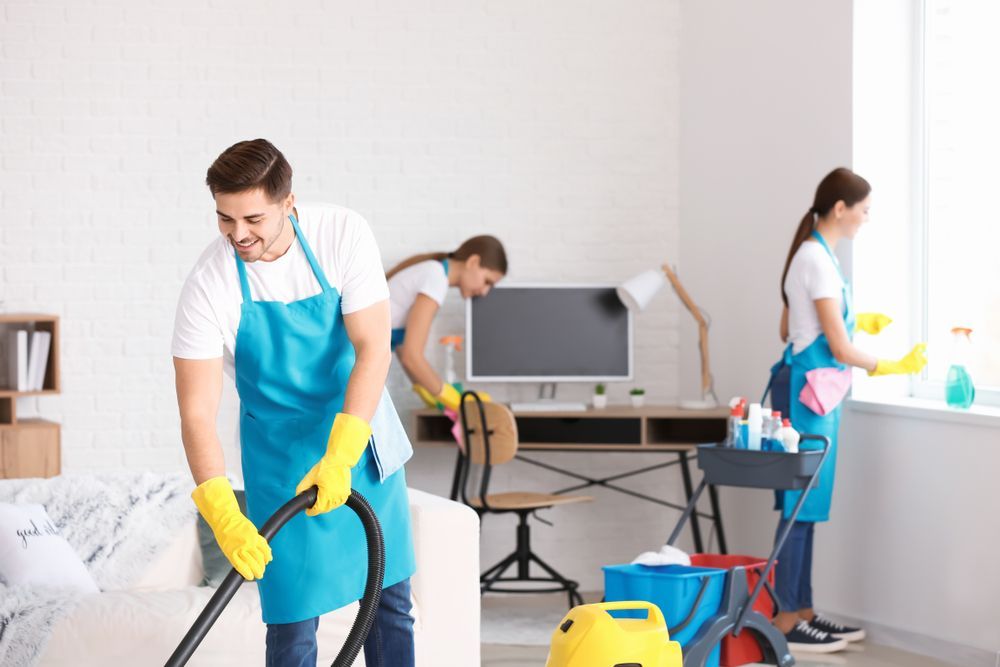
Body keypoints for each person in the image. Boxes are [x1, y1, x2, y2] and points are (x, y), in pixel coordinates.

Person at [172, 138, 416, 667]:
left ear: (288, 203)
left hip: (358, 435)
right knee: (290, 619)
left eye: (253, 218)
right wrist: (219, 510)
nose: (238, 234)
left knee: (389, 601)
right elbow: (195, 411)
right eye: (224, 218)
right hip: (281, 459)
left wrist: (341, 456)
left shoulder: (341, 232)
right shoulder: (209, 284)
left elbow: (374, 348)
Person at [768, 167, 927, 653]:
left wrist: (858, 320)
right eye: (864, 210)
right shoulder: (816, 257)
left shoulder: (817, 256)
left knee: (808, 509)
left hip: (813, 392)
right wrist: (890, 364)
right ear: (841, 208)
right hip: (806, 392)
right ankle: (787, 619)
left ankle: (804, 610)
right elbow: (836, 347)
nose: (865, 219)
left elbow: (788, 327)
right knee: (799, 510)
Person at [386, 237, 507, 411]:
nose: (485, 291)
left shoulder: (433, 273)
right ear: (473, 261)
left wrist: (431, 394)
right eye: (487, 281)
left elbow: (405, 350)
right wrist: (456, 402)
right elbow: (412, 357)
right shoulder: (435, 279)